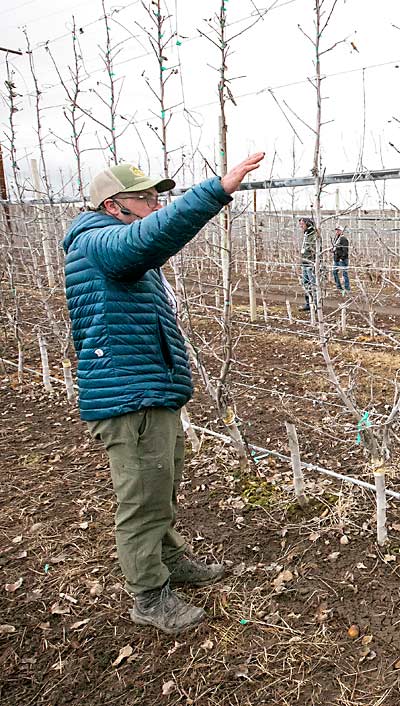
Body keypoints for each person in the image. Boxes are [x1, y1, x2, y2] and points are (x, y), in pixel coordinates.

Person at [62, 152, 266, 634]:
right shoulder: (98, 244)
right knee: (141, 501)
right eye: (147, 198)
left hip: (151, 392)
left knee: (162, 488)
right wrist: (215, 191)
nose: (156, 206)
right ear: (115, 207)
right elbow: (148, 239)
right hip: (129, 398)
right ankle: (149, 597)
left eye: (160, 197)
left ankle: (172, 561)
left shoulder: (118, 248)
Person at [298, 217, 318, 311]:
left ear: (308, 224)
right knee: (305, 284)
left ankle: (316, 304)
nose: (301, 226)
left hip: (311, 263)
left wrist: (313, 262)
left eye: (302, 224)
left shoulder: (314, 235)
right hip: (305, 262)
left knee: (313, 284)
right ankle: (308, 303)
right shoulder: (306, 234)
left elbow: (316, 250)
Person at [333, 225, 350, 295]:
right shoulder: (336, 238)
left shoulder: (343, 239)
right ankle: (339, 288)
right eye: (336, 230)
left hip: (342, 260)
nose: (337, 231)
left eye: (338, 230)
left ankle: (347, 289)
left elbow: (345, 251)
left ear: (341, 231)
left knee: (344, 274)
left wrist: (341, 258)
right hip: (336, 259)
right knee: (334, 272)